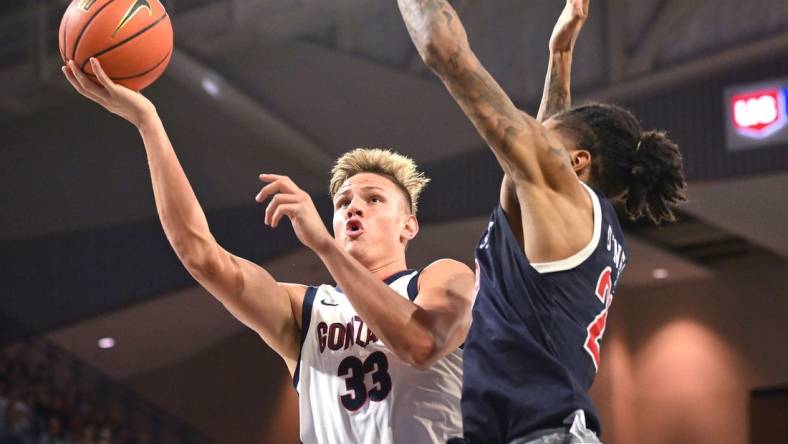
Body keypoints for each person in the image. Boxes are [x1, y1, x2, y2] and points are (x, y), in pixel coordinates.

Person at [61, 58, 474, 444]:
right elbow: (199, 254)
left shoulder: (442, 277)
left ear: (409, 226)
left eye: (374, 199)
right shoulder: (305, 309)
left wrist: (325, 248)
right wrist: (147, 122)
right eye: (344, 201)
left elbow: (420, 345)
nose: (354, 207)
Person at [397, 0, 687, 443]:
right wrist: (560, 54)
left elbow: (442, 48)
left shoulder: (561, 192)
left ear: (575, 162)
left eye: (545, 141)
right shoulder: (582, 218)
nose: (529, 138)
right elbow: (550, 139)